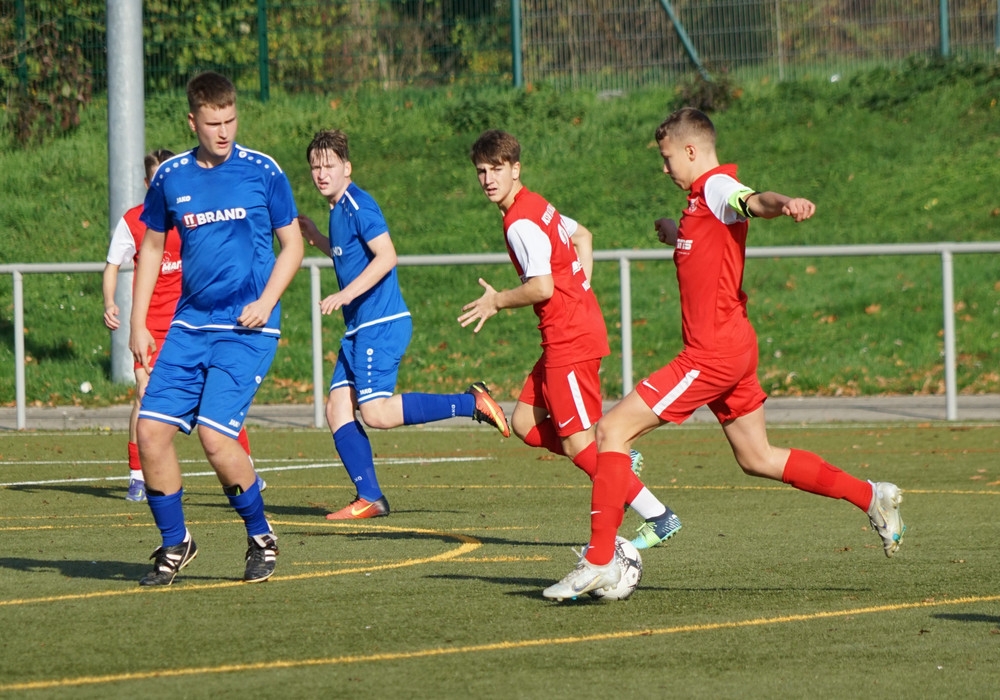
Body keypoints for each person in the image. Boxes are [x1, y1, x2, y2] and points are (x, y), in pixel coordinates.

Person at [543, 107, 906, 601]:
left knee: (611, 431)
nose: (664, 168)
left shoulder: (716, 187)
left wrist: (785, 203)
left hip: (711, 355)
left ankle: (600, 560)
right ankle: (871, 495)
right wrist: (677, 234)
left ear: (691, 150)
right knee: (757, 457)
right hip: (734, 346)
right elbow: (716, 243)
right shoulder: (700, 202)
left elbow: (754, 201)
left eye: (668, 158)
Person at [459, 129, 682, 552]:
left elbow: (541, 287)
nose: (488, 179)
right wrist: (580, 291)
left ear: (515, 169)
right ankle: (613, 461)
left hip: (570, 340)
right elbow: (584, 237)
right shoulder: (536, 205)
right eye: (481, 171)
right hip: (565, 334)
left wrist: (497, 301)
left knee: (579, 443)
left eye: (496, 169)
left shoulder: (520, 222)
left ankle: (657, 514)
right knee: (524, 423)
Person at [128, 71, 304, 586]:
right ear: (193, 121)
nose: (224, 131)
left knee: (214, 435)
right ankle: (175, 543)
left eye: (230, 120)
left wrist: (266, 301)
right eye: (213, 123)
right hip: (189, 326)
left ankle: (261, 537)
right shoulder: (171, 176)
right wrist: (137, 322)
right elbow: (152, 248)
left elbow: (292, 245)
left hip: (247, 327)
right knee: (150, 432)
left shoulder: (263, 171)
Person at [298, 129, 509, 520]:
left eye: (329, 165)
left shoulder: (359, 204)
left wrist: (345, 295)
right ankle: (370, 497)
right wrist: (318, 240)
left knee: (375, 414)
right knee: (337, 408)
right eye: (315, 167)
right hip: (360, 327)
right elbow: (351, 255)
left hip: (380, 323)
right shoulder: (338, 208)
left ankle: (471, 403)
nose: (322, 174)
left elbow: (386, 256)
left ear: (347, 168)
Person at [102, 149, 257, 503]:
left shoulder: (196, 214)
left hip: (194, 323)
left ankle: (245, 466)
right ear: (147, 183)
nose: (165, 183)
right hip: (152, 329)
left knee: (217, 395)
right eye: (158, 178)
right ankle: (137, 475)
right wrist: (110, 302)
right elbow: (112, 265)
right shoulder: (134, 221)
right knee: (145, 395)